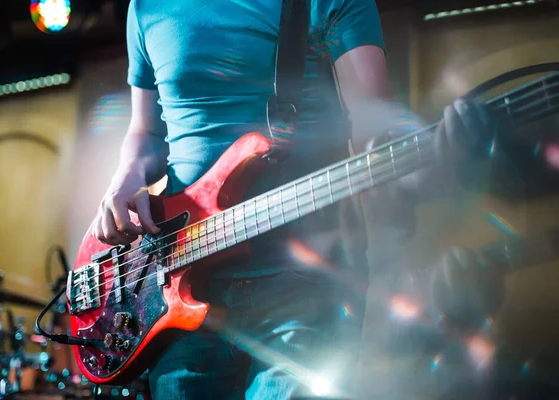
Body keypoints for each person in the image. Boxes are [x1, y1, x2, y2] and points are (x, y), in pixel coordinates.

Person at [91, 0, 483, 398]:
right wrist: (124, 178)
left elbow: (374, 124)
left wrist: (428, 159)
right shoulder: (146, 7)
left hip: (305, 284)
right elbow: (146, 131)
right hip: (178, 285)